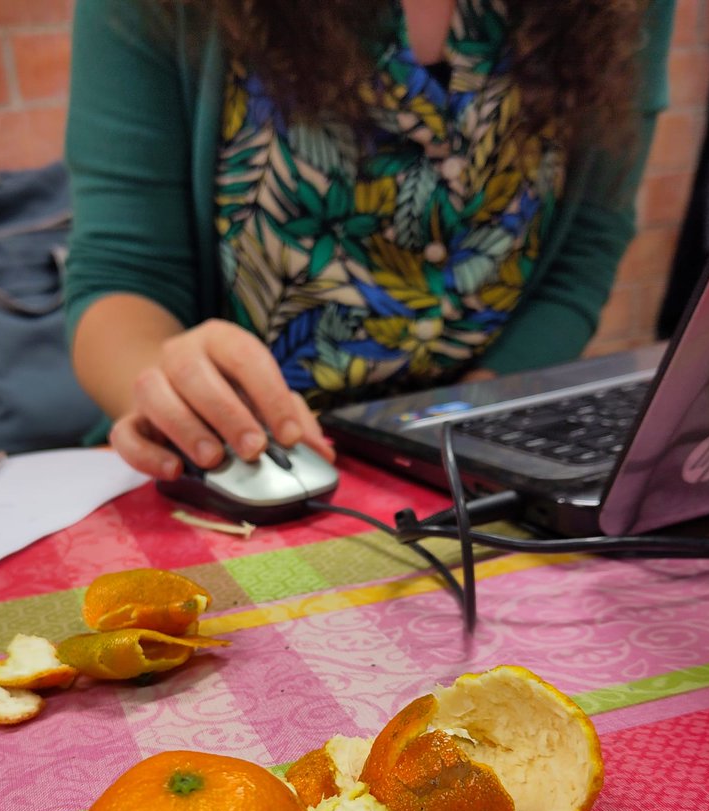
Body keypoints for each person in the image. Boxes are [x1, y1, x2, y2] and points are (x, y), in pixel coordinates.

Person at [65, 0, 675, 480]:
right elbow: (123, 274)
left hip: (480, 451)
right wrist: (159, 379)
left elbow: (586, 247)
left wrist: (482, 414)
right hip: (247, 463)